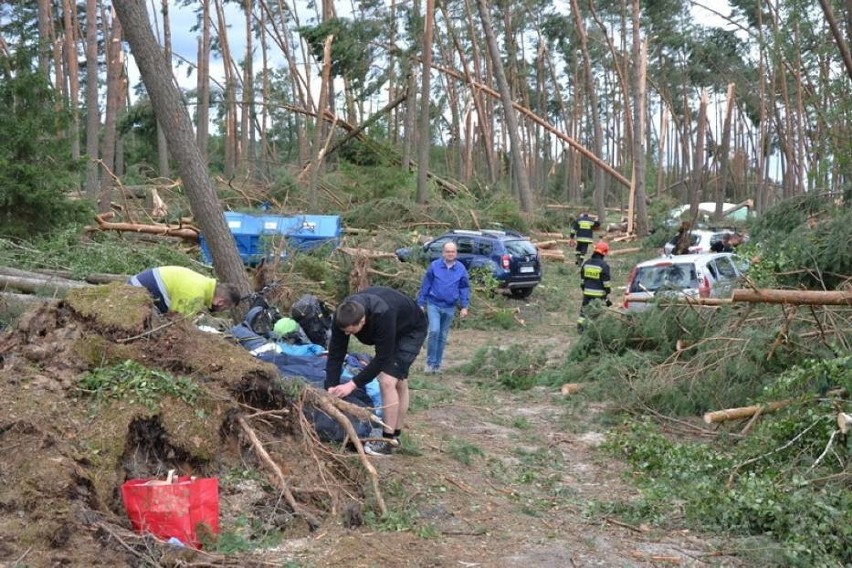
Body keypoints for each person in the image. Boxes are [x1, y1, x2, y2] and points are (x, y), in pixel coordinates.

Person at [325, 286, 427, 456]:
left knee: (387, 381)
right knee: (398, 381)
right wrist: (331, 386)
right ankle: (395, 435)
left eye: (350, 331)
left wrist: (352, 384)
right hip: (394, 324)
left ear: (363, 321)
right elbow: (336, 352)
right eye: (344, 331)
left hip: (411, 329)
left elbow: (382, 358)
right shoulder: (343, 316)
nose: (346, 333)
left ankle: (388, 441)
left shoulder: (382, 314)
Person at [416, 242, 471, 375]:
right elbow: (426, 285)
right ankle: (429, 363)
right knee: (434, 331)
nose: (450, 254)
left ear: (456, 253)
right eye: (448, 251)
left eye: (452, 251)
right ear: (443, 253)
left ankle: (437, 364)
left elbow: (464, 288)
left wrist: (464, 306)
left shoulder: (461, 269)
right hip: (434, 304)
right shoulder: (434, 266)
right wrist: (421, 303)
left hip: (450, 307)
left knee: (442, 335)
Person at [128, 266, 241, 317]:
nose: (221, 311)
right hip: (135, 296)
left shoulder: (202, 283)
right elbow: (178, 323)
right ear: (220, 302)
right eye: (225, 309)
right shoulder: (195, 294)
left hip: (138, 288)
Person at [577, 241, 612, 333]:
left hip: (587, 293)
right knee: (597, 312)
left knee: (584, 311)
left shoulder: (587, 263)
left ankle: (580, 328)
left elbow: (582, 281)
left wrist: (585, 289)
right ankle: (594, 329)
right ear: (604, 253)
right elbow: (606, 283)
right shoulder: (604, 266)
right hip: (598, 294)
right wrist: (607, 293)